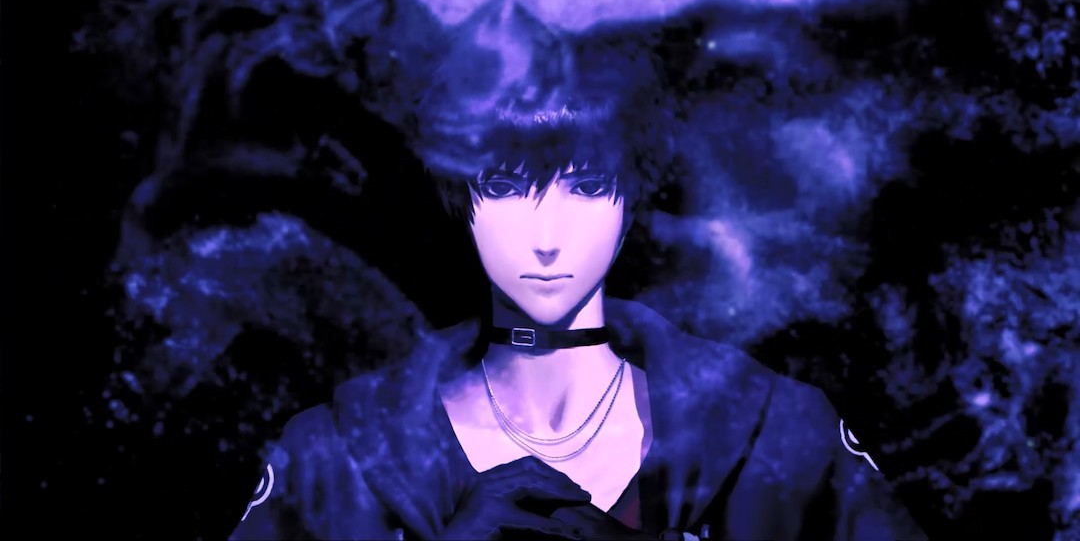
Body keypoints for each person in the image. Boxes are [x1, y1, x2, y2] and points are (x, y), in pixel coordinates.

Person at [228, 89, 927, 540]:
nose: (547, 234)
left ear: (631, 205)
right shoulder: (332, 459)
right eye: (506, 189)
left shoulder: (779, 434)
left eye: (587, 188)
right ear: (460, 205)